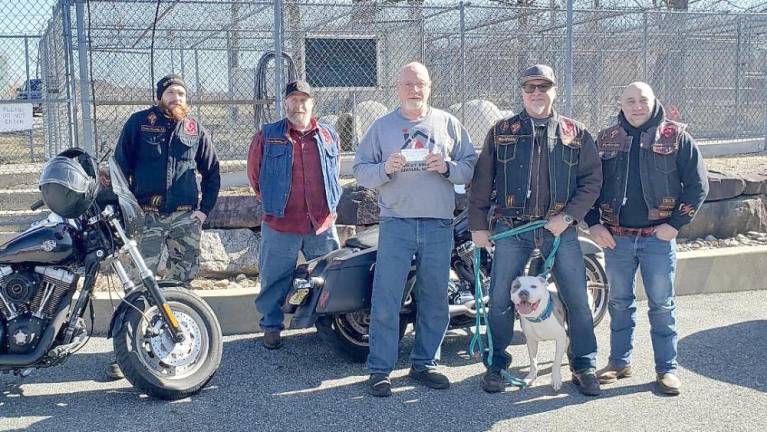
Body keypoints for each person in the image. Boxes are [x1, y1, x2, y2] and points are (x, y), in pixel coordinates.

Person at [468, 64, 603, 396]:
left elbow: (592, 181)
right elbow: (482, 182)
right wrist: (478, 226)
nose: (537, 93)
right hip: (511, 229)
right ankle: (497, 364)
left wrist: (569, 217)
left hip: (558, 229)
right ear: (523, 92)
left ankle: (584, 364)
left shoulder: (576, 132)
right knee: (500, 300)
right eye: (531, 88)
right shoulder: (502, 131)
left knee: (577, 299)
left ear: (554, 90)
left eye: (544, 87)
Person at [354, 62, 478, 397]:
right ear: (397, 87)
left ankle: (426, 363)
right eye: (408, 83)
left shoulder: (448, 123)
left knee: (434, 297)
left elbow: (470, 167)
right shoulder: (382, 128)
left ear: (429, 87)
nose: (414, 90)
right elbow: (361, 171)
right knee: (387, 296)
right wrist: (385, 169)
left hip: (438, 223)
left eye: (420, 83)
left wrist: (448, 167)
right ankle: (380, 369)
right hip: (396, 223)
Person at [586, 82, 708, 396]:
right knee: (619, 303)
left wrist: (676, 224)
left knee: (662, 306)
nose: (637, 106)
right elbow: (587, 185)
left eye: (643, 100)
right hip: (617, 239)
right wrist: (593, 225)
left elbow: (698, 186)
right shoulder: (606, 140)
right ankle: (619, 362)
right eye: (630, 100)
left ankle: (667, 370)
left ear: (654, 101)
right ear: (621, 103)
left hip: (658, 238)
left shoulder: (677, 137)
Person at [107, 73, 221, 379]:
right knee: (138, 285)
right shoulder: (139, 123)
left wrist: (203, 212)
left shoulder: (195, 129)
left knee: (182, 281)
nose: (177, 98)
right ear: (160, 97)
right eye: (171, 93)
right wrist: (124, 210)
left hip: (185, 219)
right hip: (147, 217)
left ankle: (176, 349)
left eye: (182, 93)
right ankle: (127, 353)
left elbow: (212, 172)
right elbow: (119, 168)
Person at [247, 80, 342, 350]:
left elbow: (334, 171)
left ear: (312, 104)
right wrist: (272, 201)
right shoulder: (268, 134)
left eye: (304, 100)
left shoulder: (327, 135)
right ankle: (271, 327)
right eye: (294, 100)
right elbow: (254, 174)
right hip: (281, 222)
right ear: (285, 103)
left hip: (320, 223)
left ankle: (328, 323)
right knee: (274, 278)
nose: (299, 105)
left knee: (329, 276)